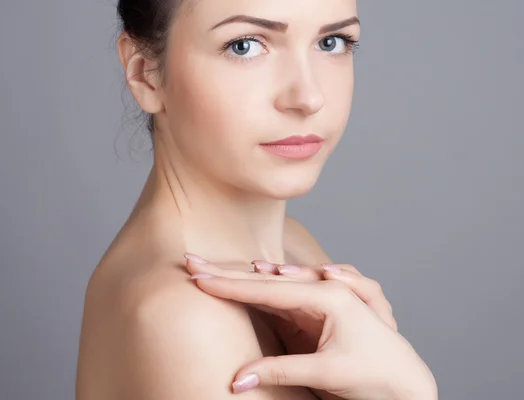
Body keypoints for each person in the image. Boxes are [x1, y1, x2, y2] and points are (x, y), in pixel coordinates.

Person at [75, 0, 437, 399]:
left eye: (332, 42)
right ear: (146, 74)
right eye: (245, 45)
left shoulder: (293, 245)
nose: (308, 96)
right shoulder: (184, 316)